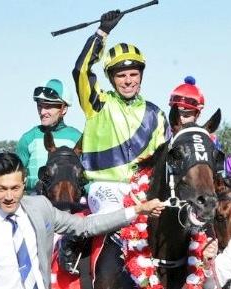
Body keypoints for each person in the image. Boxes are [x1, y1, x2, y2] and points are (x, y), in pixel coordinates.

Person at [0, 152, 165, 289]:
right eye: (2, 189)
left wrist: (136, 210)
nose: (9, 196)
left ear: (24, 182)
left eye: (16, 188)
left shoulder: (40, 208)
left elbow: (86, 226)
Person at [72, 10, 170, 215]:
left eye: (133, 74)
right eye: (121, 75)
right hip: (103, 187)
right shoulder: (97, 103)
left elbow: (164, 161)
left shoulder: (156, 115)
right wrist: (102, 32)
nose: (128, 81)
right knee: (117, 216)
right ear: (111, 79)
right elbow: (81, 70)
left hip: (142, 189)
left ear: (141, 76)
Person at [16, 79, 81, 194]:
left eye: (48, 107)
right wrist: (36, 183)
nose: (42, 112)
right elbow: (14, 178)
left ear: (64, 109)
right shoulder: (28, 138)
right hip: (36, 204)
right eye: (40, 106)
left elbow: (89, 177)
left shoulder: (76, 137)